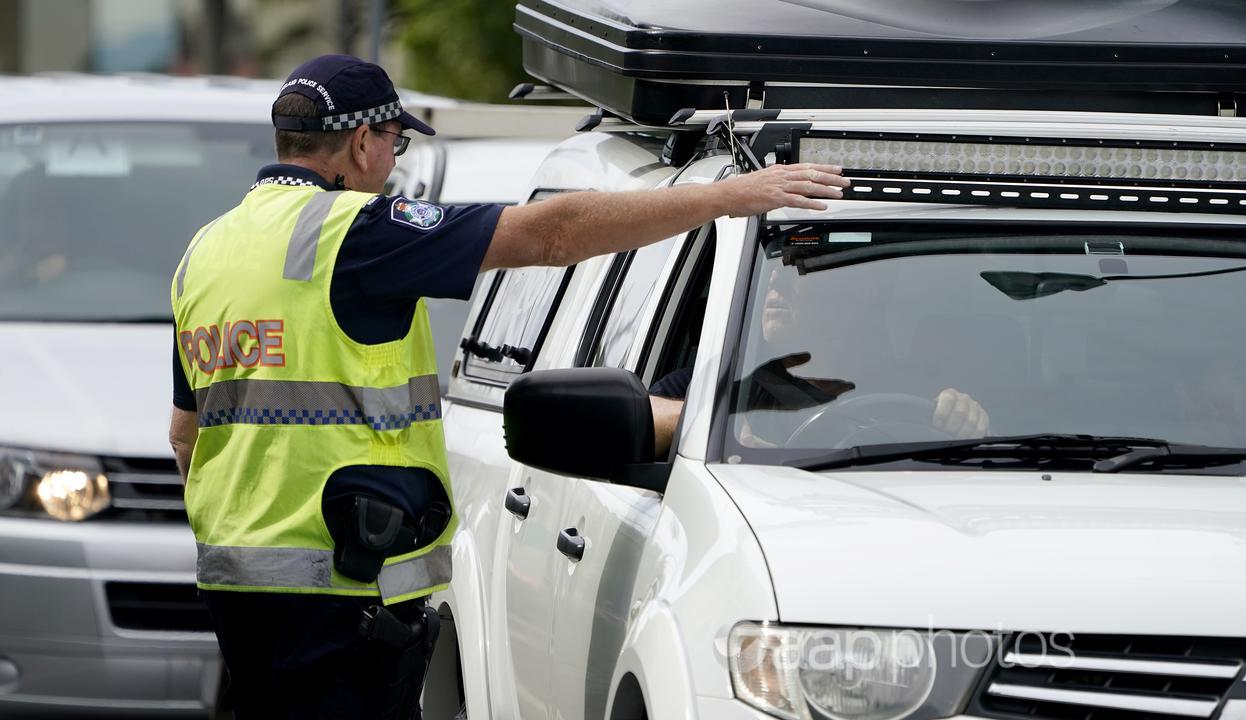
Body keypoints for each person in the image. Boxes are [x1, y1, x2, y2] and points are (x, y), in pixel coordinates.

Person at [167, 54, 849, 718]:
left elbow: (185, 436)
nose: (394, 161)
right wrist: (728, 198)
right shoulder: (351, 233)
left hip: (237, 592)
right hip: (342, 588)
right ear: (361, 141)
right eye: (394, 142)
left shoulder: (205, 252)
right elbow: (550, 237)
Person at [648, 260, 990, 456]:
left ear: (857, 298)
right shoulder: (709, 389)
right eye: (772, 269)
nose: (775, 280)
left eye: (799, 266)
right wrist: (705, 428)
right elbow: (639, 421)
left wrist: (966, 422)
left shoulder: (916, 399)